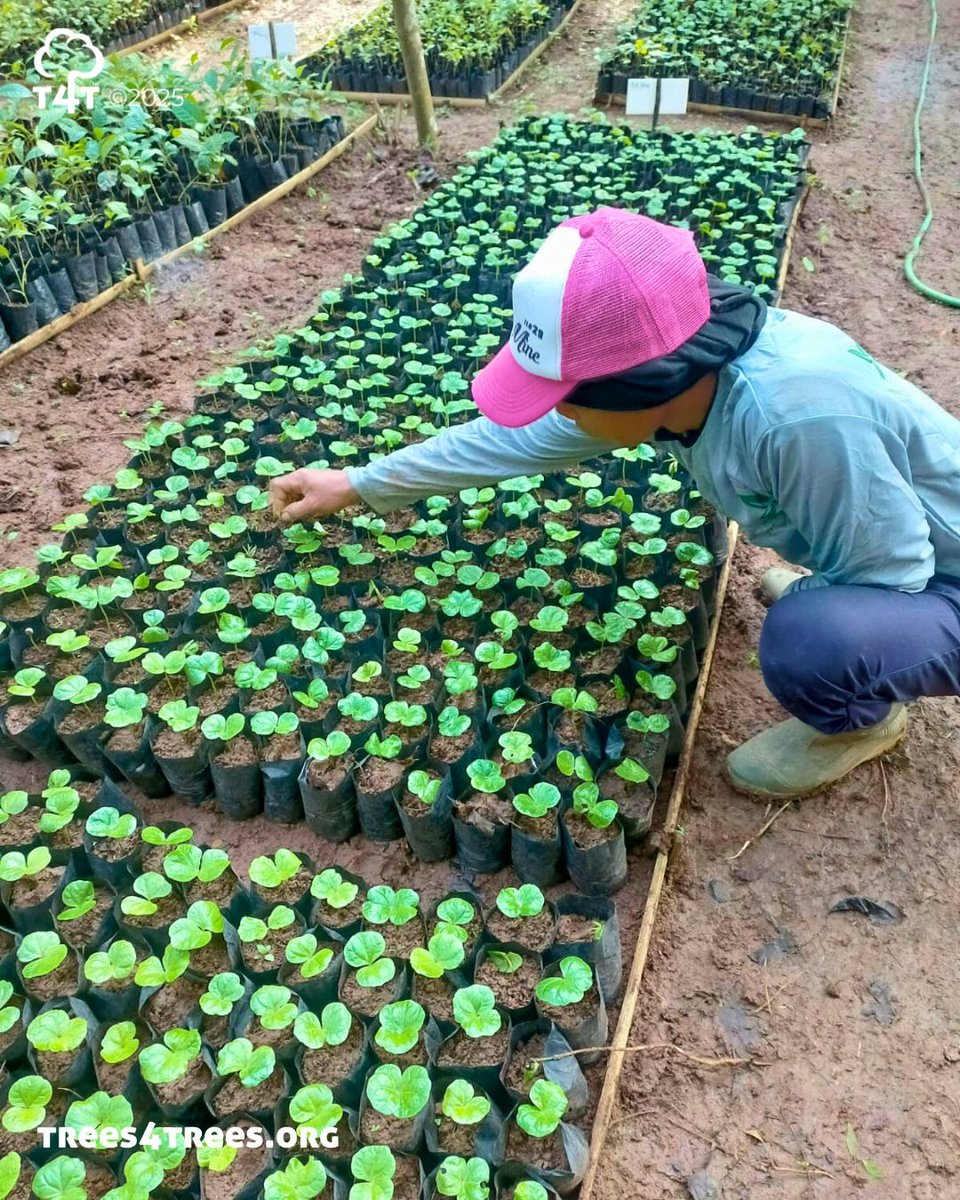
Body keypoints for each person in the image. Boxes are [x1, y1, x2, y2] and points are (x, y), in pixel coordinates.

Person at [271, 206, 960, 800]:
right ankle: (841, 607)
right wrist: (360, 482)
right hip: (896, 542)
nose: (559, 417)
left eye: (565, 398)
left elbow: (893, 570)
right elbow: (509, 443)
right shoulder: (685, 372)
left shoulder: (798, 421)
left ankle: (864, 714)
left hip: (934, 574)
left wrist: (841, 601)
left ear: (635, 389)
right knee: (828, 599)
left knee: (813, 640)